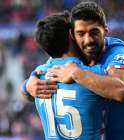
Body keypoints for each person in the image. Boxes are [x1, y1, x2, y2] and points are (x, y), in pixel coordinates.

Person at [24, 1, 124, 139]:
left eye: (94, 32)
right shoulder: (96, 72)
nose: (88, 40)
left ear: (105, 31)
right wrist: (28, 86)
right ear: (72, 35)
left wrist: (77, 74)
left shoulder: (114, 51)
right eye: (81, 33)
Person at [28, 11, 106, 139]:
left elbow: (26, 89)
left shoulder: (37, 76)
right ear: (71, 35)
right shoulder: (93, 74)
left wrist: (26, 86)